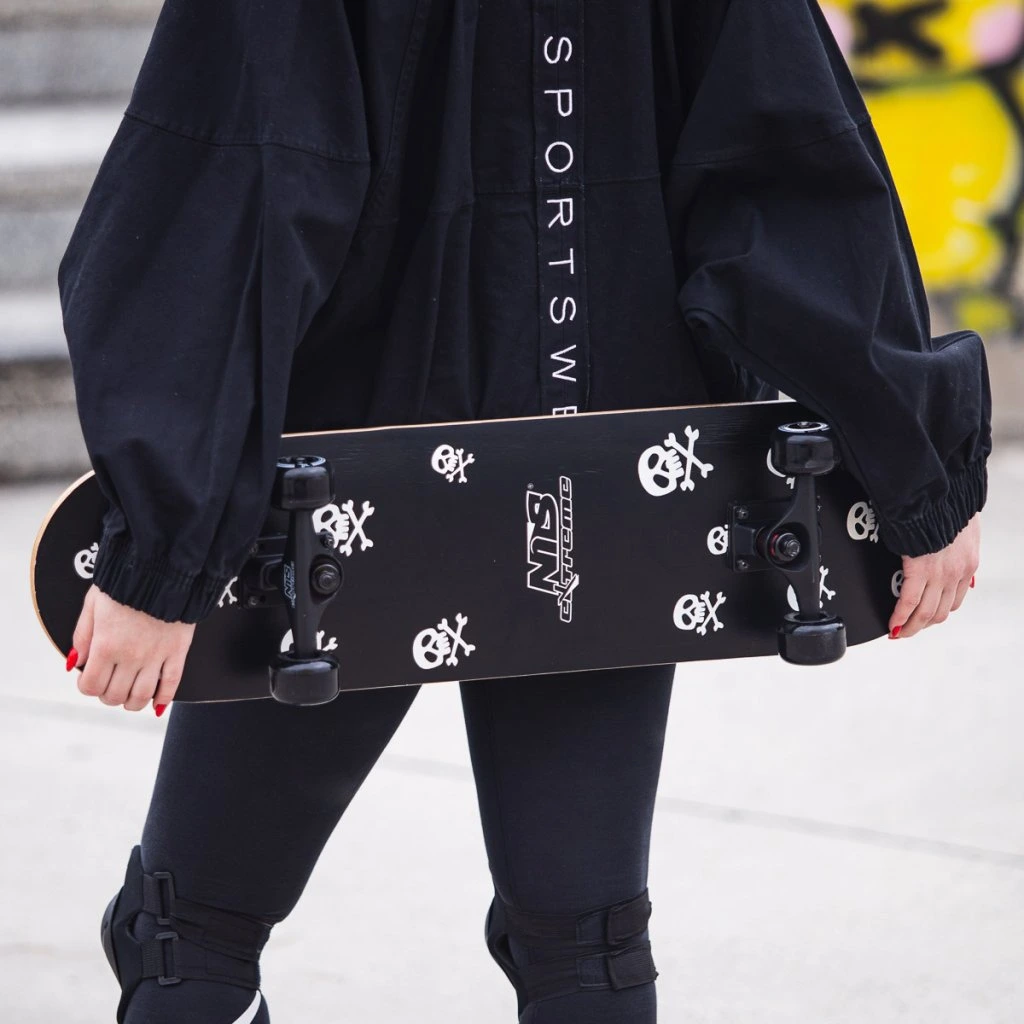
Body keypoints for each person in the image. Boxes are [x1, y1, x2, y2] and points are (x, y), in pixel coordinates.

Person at [56, 1, 990, 1022]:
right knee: (549, 953)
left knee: (225, 943)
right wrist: (913, 460)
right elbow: (783, 168)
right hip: (523, 478)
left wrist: (168, 539)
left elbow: (234, 170)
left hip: (429, 483)